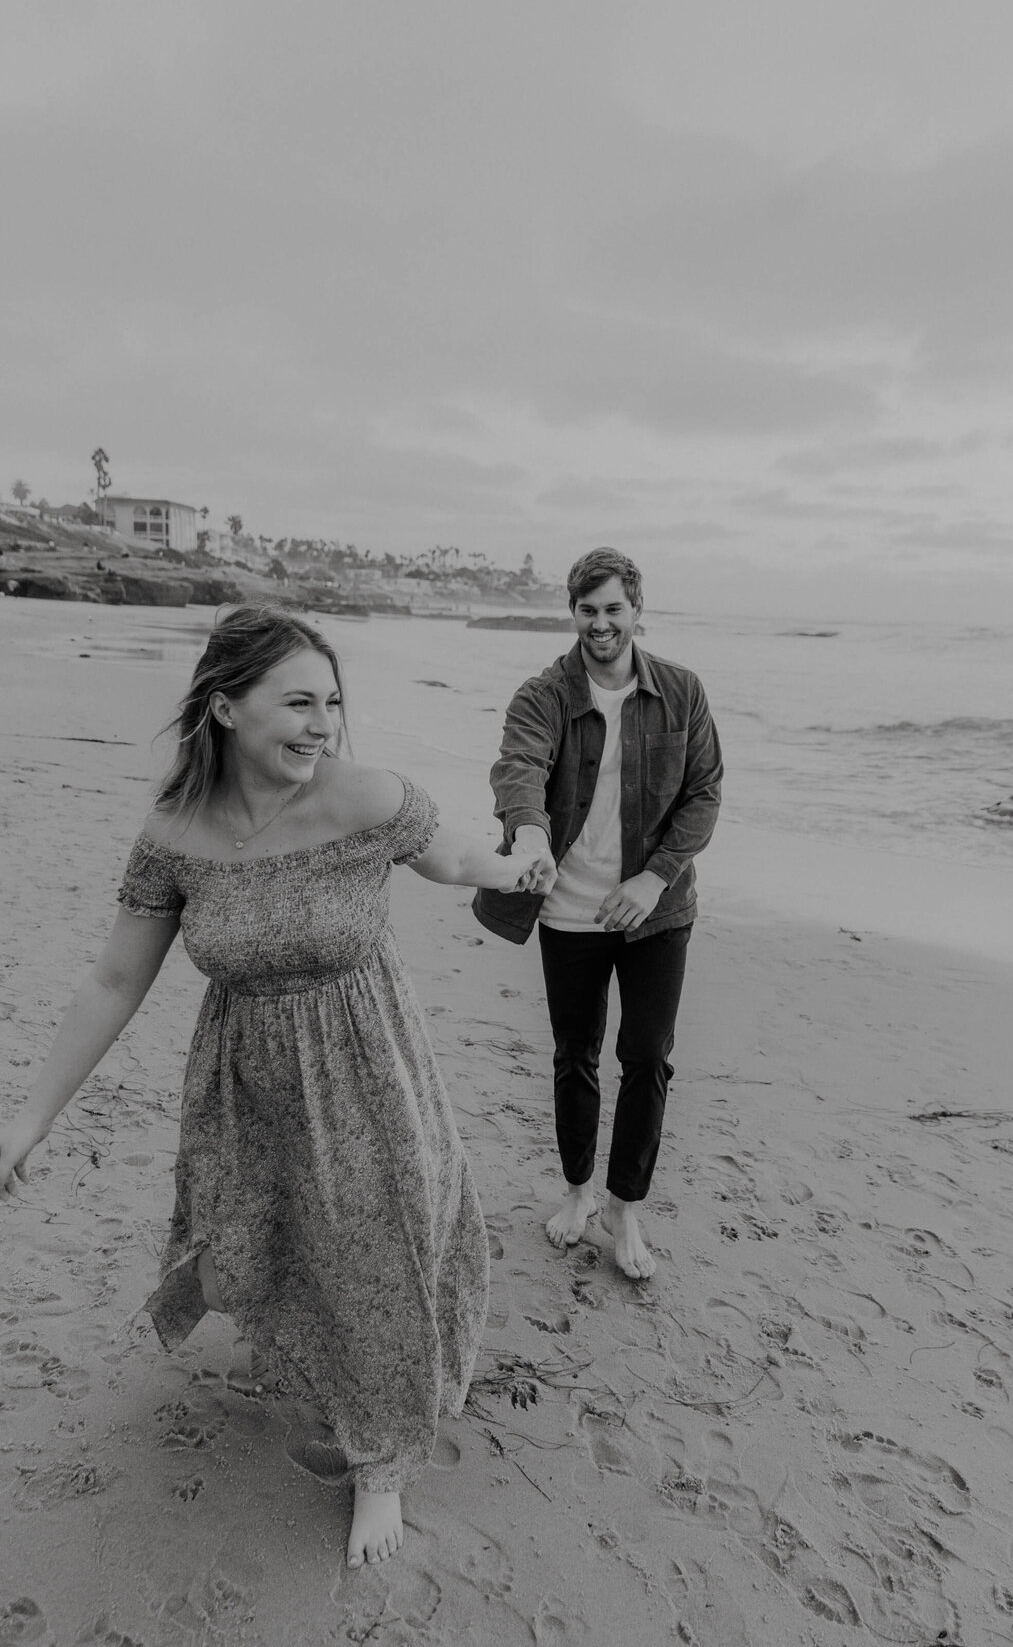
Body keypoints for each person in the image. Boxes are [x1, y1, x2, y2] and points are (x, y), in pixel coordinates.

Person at [0, 604, 552, 1570]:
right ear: (226, 709)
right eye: (299, 702)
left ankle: (381, 1464)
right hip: (246, 1075)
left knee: (377, 1245)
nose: (322, 724)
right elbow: (115, 980)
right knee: (264, 1239)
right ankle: (320, 1359)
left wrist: (520, 862)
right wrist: (27, 1121)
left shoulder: (366, 799)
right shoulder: (174, 833)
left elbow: (458, 859)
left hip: (367, 1060)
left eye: (332, 702)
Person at [473, 547, 722, 1281]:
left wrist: (653, 877)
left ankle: (624, 1207)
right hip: (568, 911)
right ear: (572, 612)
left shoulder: (681, 691)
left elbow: (703, 794)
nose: (601, 624)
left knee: (647, 1058)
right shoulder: (543, 694)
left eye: (614, 609)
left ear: (638, 610)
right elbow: (519, 768)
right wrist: (529, 834)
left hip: (658, 913)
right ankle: (579, 1192)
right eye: (588, 610)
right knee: (574, 1055)